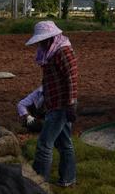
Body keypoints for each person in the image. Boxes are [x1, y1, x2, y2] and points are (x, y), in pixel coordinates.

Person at [26, 21, 78, 188]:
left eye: (42, 40)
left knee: (44, 144)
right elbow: (48, 81)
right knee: (64, 143)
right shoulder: (50, 52)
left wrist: (71, 105)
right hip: (54, 102)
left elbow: (71, 79)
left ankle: (38, 183)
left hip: (62, 104)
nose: (40, 43)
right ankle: (68, 179)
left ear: (50, 38)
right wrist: (42, 102)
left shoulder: (63, 52)